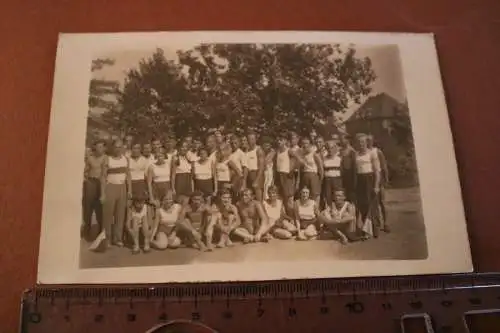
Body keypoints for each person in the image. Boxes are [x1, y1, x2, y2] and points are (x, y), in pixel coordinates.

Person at [99, 139, 132, 249]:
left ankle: (118, 238)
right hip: (110, 187)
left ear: (123, 148)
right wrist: (103, 193)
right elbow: (103, 177)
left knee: (120, 214)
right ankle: (106, 239)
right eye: (116, 147)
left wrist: (129, 190)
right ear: (113, 148)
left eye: (120, 147)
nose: (118, 149)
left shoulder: (126, 159)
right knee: (107, 215)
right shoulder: (107, 159)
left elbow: (128, 176)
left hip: (122, 187)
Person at [354, 133, 382, 238]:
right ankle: (366, 230)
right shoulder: (356, 154)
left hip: (369, 179)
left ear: (366, 142)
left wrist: (376, 185)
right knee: (363, 205)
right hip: (360, 180)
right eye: (359, 142)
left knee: (372, 205)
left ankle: (374, 230)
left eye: (363, 142)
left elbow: (377, 171)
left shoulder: (372, 154)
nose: (361, 144)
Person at [82, 140, 106, 241]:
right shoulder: (90, 158)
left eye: (101, 147)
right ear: (94, 147)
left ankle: (100, 234)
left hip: (101, 183)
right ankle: (86, 232)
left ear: (104, 148)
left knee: (100, 209)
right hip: (91, 183)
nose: (99, 149)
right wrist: (86, 179)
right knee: (88, 209)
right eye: (97, 146)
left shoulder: (105, 158)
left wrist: (103, 191)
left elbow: (104, 174)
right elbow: (85, 170)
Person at [366, 134, 390, 233]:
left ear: (373, 141)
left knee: (382, 202)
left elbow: (383, 166)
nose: (368, 142)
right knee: (372, 203)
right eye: (366, 141)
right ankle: (376, 222)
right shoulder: (364, 152)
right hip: (369, 179)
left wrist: (386, 179)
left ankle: (386, 223)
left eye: (369, 140)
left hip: (378, 178)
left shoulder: (377, 151)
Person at [299, 138, 324, 206]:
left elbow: (320, 167)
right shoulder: (302, 154)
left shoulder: (314, 154)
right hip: (305, 175)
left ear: (310, 145)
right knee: (306, 193)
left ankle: (316, 210)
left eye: (306, 143)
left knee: (315, 194)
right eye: (303, 143)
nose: (304, 145)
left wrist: (321, 179)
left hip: (313, 175)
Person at [275, 135, 296, 210]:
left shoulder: (289, 150)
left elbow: (296, 159)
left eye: (281, 140)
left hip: (287, 175)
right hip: (279, 175)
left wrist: (291, 169)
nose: (279, 142)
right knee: (281, 196)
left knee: (289, 196)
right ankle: (285, 215)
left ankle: (293, 217)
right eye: (278, 140)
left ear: (285, 141)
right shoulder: (277, 151)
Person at [171, 141, 194, 205]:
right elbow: (173, 175)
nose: (184, 148)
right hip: (179, 184)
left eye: (186, 147)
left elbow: (191, 177)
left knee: (186, 205)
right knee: (179, 205)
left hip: (188, 184)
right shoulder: (175, 158)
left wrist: (192, 188)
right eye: (182, 147)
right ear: (178, 148)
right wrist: (173, 189)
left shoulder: (188, 159)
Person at [322, 140, 343, 208]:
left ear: (334, 148)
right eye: (328, 148)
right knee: (328, 197)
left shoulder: (339, 159)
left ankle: (338, 212)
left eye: (331, 148)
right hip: (327, 180)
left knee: (337, 197)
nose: (330, 150)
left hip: (337, 180)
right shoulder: (324, 158)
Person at [245, 132, 265, 201]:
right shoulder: (247, 150)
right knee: (250, 199)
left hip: (256, 174)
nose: (250, 141)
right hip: (249, 175)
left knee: (259, 200)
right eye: (249, 139)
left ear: (255, 140)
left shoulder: (259, 150)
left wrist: (257, 180)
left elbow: (262, 167)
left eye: (252, 139)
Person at [339, 134, 357, 203]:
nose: (341, 141)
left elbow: (354, 166)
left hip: (349, 174)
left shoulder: (352, 151)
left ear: (347, 140)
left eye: (342, 139)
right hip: (342, 175)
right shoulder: (340, 150)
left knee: (351, 195)